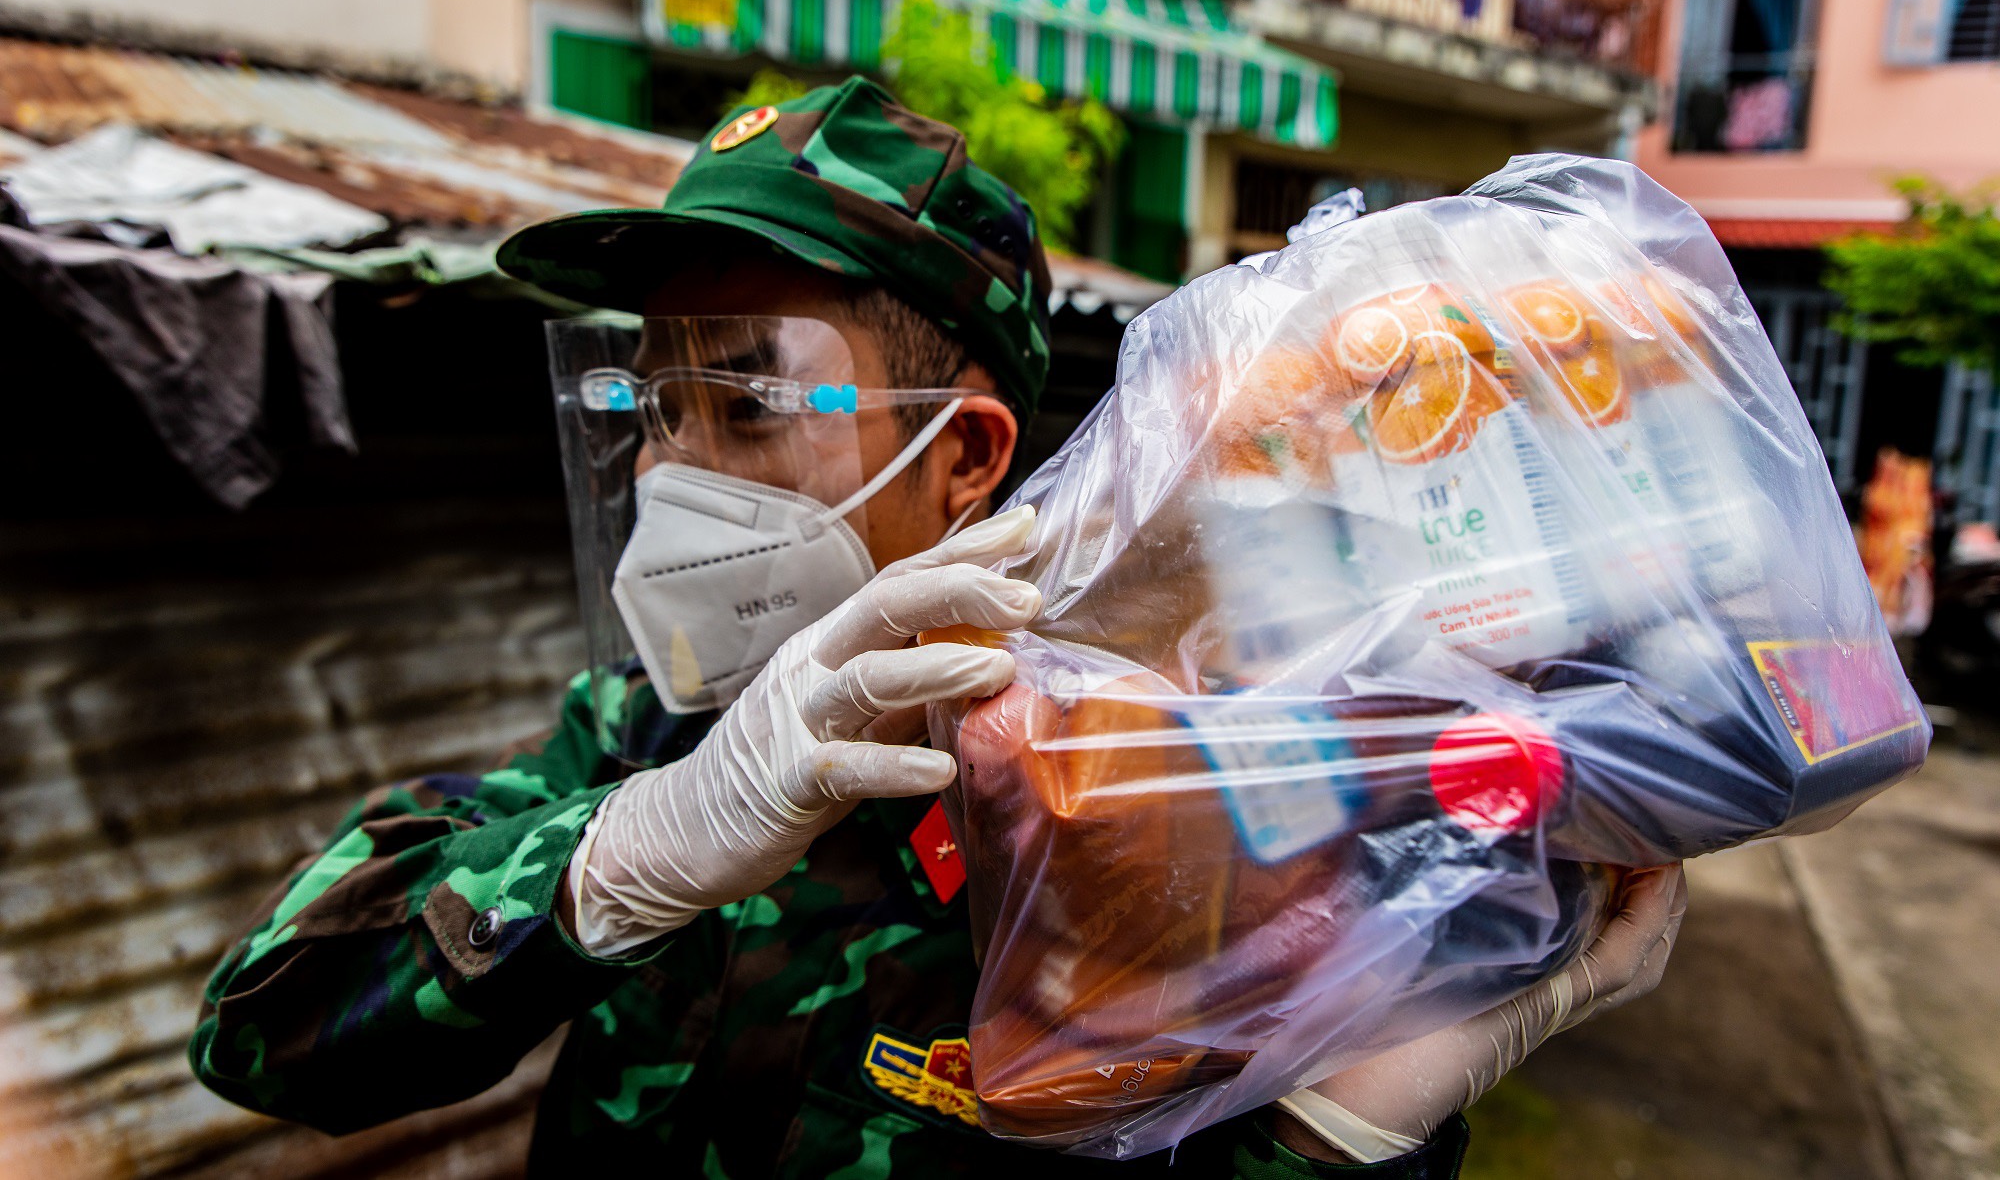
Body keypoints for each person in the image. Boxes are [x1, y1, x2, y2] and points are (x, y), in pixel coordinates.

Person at [190, 77, 1685, 1176]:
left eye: (748, 404)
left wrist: (1340, 1130)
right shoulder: (649, 736)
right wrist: (626, 854)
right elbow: (262, 1028)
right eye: (648, 406)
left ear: (966, 456)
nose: (667, 467)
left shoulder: (1159, 806)